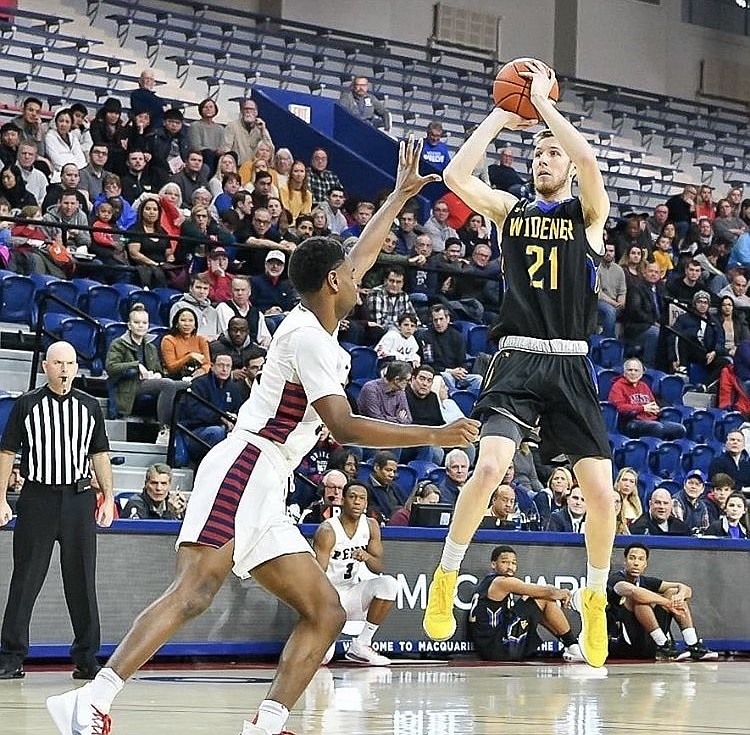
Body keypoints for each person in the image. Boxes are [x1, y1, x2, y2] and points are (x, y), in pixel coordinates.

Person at [46, 137, 477, 735]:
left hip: (268, 481)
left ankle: (267, 722)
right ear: (333, 281)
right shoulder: (310, 341)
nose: (360, 279)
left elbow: (359, 254)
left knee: (324, 613)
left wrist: (401, 193)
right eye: (349, 275)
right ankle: (91, 699)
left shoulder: (312, 315)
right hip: (247, 464)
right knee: (196, 591)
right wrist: (438, 432)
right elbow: (346, 427)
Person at [423, 60, 614, 669]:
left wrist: (548, 109)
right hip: (517, 360)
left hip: (571, 365)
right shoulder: (511, 210)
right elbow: (454, 174)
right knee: (491, 465)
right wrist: (506, 112)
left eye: (551, 154)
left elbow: (588, 166)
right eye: (537, 154)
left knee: (603, 496)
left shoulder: (586, 218)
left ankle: (597, 598)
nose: (543, 159)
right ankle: (447, 577)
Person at [0, 341, 115, 680]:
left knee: (81, 580)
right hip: (38, 498)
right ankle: (11, 655)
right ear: (46, 367)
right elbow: (7, 452)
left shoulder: (90, 406)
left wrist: (107, 497)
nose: (64, 369)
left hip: (79, 499)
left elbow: (100, 455)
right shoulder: (26, 405)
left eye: (70, 363)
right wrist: (1, 497)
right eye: (58, 363)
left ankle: (86, 656)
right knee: (25, 578)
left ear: (76, 367)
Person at [313, 480, 399, 666]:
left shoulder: (371, 526)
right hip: (327, 597)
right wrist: (327, 610)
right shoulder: (328, 530)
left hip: (351, 593)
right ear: (343, 500)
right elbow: (318, 576)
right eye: (352, 497)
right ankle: (325, 636)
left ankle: (361, 644)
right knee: (323, 659)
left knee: (389, 584)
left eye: (362, 498)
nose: (357, 502)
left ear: (367, 503)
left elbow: (378, 567)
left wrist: (367, 557)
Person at [468, 545, 583, 662]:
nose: (510, 567)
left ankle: (571, 646)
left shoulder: (489, 581)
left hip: (489, 646)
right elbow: (548, 592)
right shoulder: (501, 582)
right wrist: (565, 593)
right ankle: (573, 646)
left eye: (513, 563)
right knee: (544, 598)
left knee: (535, 599)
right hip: (499, 648)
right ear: (494, 564)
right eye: (505, 562)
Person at [607, 543, 717, 661]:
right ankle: (663, 645)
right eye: (632, 558)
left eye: (641, 559)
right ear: (625, 561)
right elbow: (634, 592)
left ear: (645, 564)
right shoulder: (615, 579)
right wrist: (667, 603)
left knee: (672, 592)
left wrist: (678, 597)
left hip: (649, 640)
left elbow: (685, 588)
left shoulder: (646, 581)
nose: (636, 563)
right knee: (640, 599)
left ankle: (693, 645)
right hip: (626, 644)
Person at [105, 304, 186, 441]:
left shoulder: (150, 346)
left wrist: (157, 374)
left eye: (144, 323)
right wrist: (136, 366)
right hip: (128, 386)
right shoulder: (118, 343)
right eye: (137, 323)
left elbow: (158, 369)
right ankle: (165, 430)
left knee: (186, 385)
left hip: (148, 383)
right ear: (129, 325)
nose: (141, 326)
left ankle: (182, 426)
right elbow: (111, 367)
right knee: (168, 384)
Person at [179, 354, 244, 462]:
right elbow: (194, 411)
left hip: (226, 430)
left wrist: (234, 420)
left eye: (228, 366)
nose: (224, 369)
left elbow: (238, 409)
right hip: (195, 432)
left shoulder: (234, 388)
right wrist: (220, 418)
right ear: (212, 366)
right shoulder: (199, 384)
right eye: (221, 365)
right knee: (217, 432)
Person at [608, 358, 686, 439]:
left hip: (651, 420)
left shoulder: (643, 386)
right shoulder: (618, 386)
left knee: (679, 429)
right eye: (630, 370)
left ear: (641, 373)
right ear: (624, 372)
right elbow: (618, 407)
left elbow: (652, 404)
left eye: (636, 370)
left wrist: (656, 410)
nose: (633, 373)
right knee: (656, 428)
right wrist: (642, 408)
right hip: (630, 422)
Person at [160, 308, 212, 381]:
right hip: (177, 378)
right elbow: (171, 368)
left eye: (191, 321)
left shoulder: (201, 340)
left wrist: (203, 370)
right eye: (183, 320)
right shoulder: (168, 340)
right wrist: (189, 356)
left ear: (195, 325)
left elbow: (207, 363)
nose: (187, 324)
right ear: (176, 324)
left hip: (200, 378)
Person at [121, 464, 186, 520]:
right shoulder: (136, 504)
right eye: (154, 483)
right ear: (146, 484)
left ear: (169, 485)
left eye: (163, 483)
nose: (158, 488)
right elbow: (153, 532)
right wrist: (170, 513)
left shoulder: (176, 504)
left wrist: (178, 515)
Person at [169, 273, 221, 341]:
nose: (202, 291)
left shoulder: (213, 311)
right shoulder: (179, 306)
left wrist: (213, 338)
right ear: (191, 288)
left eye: (205, 288)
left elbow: (219, 334)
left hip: (212, 345)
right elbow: (175, 332)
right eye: (198, 287)